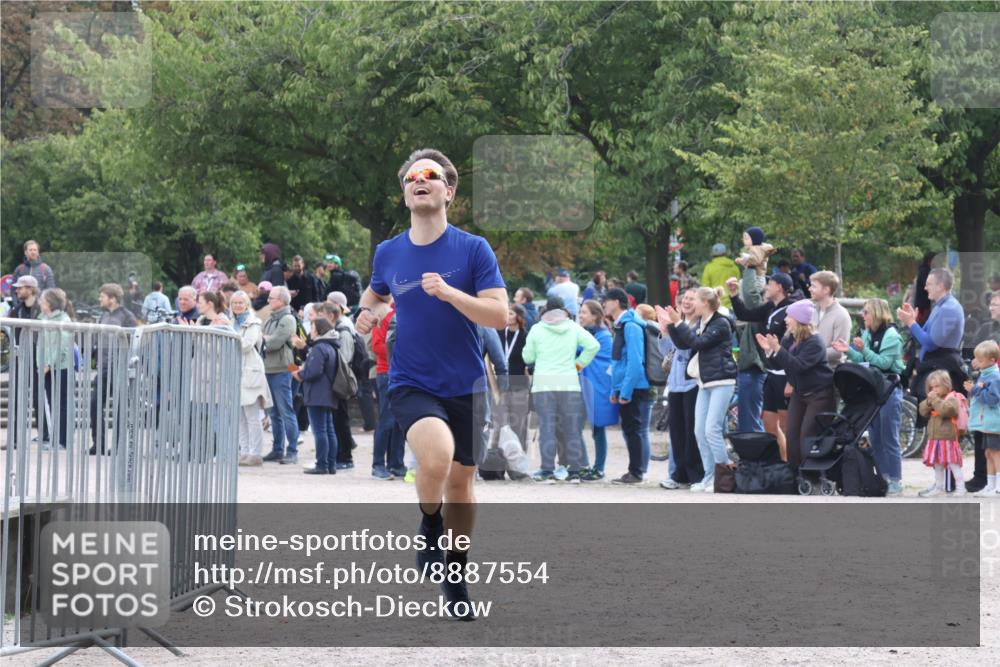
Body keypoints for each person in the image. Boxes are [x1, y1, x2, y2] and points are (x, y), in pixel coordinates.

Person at [355, 148, 507, 621]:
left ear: (449, 191)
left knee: (462, 485)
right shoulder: (389, 251)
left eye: (431, 175)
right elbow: (378, 294)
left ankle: (456, 575)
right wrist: (367, 313)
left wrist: (449, 292)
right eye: (412, 178)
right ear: (405, 195)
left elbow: (499, 315)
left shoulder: (473, 249)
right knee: (437, 457)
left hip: (466, 383)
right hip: (410, 379)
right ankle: (428, 521)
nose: (421, 181)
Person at [658, 287, 737, 491]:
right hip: (705, 381)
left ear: (705, 303)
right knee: (699, 431)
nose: (691, 303)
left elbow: (697, 343)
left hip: (721, 381)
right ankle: (708, 477)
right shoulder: (703, 322)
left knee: (712, 429)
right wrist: (670, 327)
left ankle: (722, 477)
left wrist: (676, 323)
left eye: (696, 299)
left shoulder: (720, 323)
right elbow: (682, 343)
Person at [521, 297, 599, 483]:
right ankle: (574, 470)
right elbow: (593, 346)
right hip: (569, 383)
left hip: (543, 384)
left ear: (546, 310)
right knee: (571, 428)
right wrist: (577, 365)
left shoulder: (537, 329)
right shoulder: (573, 327)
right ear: (563, 310)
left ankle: (547, 469)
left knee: (547, 427)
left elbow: (527, 357)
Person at [833, 298, 905, 495]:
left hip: (889, 388)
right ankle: (882, 478)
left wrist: (863, 349)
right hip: (872, 390)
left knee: (889, 436)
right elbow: (864, 360)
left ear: (876, 313)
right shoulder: (866, 333)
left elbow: (883, 363)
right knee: (875, 437)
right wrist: (849, 351)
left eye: (866, 312)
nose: (862, 316)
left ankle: (896, 480)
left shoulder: (891, 335)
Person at [757, 299, 836, 468]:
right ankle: (793, 472)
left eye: (789, 316)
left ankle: (809, 471)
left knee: (807, 434)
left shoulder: (815, 342)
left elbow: (798, 366)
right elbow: (779, 365)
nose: (785, 320)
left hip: (819, 394)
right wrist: (769, 351)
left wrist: (778, 350)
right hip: (800, 393)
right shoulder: (789, 339)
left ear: (799, 320)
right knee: (791, 434)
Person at [727, 271, 795, 460]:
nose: (766, 287)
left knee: (785, 425)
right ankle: (780, 461)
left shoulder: (790, 310)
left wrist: (791, 378)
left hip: (784, 372)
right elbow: (745, 314)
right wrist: (734, 295)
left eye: (770, 283)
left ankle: (792, 464)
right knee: (770, 425)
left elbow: (793, 343)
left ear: (780, 287)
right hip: (770, 371)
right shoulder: (769, 307)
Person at [603, 287, 653, 484]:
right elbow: (619, 363)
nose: (604, 304)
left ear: (616, 302)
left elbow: (634, 362)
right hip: (626, 386)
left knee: (634, 430)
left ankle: (637, 472)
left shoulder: (630, 326)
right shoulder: (621, 325)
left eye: (606, 301)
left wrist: (625, 391)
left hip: (635, 387)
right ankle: (634, 470)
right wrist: (615, 390)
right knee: (630, 429)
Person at [657, 288, 702, 489]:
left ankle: (695, 475)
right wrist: (664, 332)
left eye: (692, 299)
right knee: (676, 432)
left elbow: (686, 346)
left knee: (690, 432)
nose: (687, 302)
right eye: (685, 298)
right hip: (675, 384)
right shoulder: (679, 325)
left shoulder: (699, 326)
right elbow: (667, 351)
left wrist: (676, 325)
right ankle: (678, 475)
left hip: (692, 383)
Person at [89, 283, 138, 455]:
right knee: (94, 404)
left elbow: (135, 341)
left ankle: (118, 446)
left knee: (119, 409)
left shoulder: (127, 317)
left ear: (113, 298)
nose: (100, 299)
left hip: (119, 369)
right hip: (103, 369)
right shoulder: (102, 316)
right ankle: (98, 443)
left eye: (102, 296)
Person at [292, 317, 341, 475]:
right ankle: (331, 465)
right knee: (329, 429)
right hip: (328, 393)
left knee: (320, 430)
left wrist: (296, 371)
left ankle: (321, 464)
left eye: (312, 328)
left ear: (319, 330)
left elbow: (313, 371)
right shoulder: (331, 346)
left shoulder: (320, 347)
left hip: (318, 393)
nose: (309, 332)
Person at [576, 299, 618, 481]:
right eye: (580, 312)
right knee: (575, 427)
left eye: (584, 312)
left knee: (598, 428)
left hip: (597, 386)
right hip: (582, 385)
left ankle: (599, 468)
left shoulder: (604, 337)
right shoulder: (582, 334)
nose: (580, 315)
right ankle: (583, 465)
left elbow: (603, 363)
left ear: (595, 316)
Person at [229, 291, 271, 466]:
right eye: (234, 303)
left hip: (250, 372)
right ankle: (244, 451)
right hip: (235, 372)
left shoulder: (254, 322)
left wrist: (229, 335)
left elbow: (246, 344)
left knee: (252, 416)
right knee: (239, 417)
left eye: (241, 302)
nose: (237, 306)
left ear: (247, 304)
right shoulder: (231, 322)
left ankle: (255, 453)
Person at [260, 286, 300, 465]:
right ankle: (277, 449)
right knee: (273, 413)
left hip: (282, 369)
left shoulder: (288, 318)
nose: (268, 301)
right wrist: (266, 339)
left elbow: (274, 343)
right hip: (268, 369)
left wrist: (264, 339)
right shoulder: (270, 319)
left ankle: (292, 450)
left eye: (271, 298)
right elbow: (261, 339)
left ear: (282, 300)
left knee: (286, 411)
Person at [489, 303, 530, 454]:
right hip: (501, 387)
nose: (508, 316)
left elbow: (530, 361)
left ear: (519, 317)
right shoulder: (499, 334)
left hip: (519, 387)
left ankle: (518, 461)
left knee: (518, 425)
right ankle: (494, 460)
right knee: (500, 424)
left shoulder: (526, 337)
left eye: (511, 314)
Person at [917, 370, 965, 497]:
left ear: (946, 385)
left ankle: (961, 488)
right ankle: (939, 487)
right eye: (931, 387)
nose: (934, 389)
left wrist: (935, 400)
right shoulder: (934, 399)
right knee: (938, 464)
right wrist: (929, 401)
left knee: (953, 463)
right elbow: (922, 410)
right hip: (935, 438)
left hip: (947, 439)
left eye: (937, 386)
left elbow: (946, 411)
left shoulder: (953, 398)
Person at [372, 304, 406, 479]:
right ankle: (378, 464)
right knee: (387, 420)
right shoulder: (387, 316)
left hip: (402, 374)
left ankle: (396, 463)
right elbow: (377, 346)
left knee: (400, 423)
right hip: (387, 372)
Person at [37, 288, 74, 449]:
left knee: (61, 405)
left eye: (42, 300)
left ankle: (62, 440)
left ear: (50, 303)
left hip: (60, 368)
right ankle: (54, 438)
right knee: (51, 403)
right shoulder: (44, 318)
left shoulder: (64, 320)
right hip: (47, 367)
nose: (39, 302)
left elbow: (61, 346)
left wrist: (48, 364)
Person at [733, 265, 767, 433]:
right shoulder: (757, 313)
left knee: (750, 423)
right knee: (749, 420)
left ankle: (756, 457)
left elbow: (751, 296)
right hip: (750, 369)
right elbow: (742, 311)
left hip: (755, 369)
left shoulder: (764, 312)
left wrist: (750, 267)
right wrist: (733, 296)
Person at [967, 341, 1000, 497]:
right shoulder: (986, 374)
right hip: (986, 422)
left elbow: (993, 399)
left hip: (994, 421)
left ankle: (998, 486)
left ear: (992, 360)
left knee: (995, 452)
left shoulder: (994, 376)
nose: (977, 364)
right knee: (988, 452)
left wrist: (974, 390)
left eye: (980, 361)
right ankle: (990, 484)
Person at [809, 270, 852, 368]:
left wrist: (809, 355)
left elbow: (838, 351)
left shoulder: (841, 315)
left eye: (814, 286)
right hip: (809, 370)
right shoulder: (811, 310)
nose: (810, 289)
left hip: (828, 373)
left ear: (826, 290)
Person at [11, 240, 55, 309]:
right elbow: (13, 291)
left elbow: (51, 290)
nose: (33, 252)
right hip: (22, 308)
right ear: (25, 252)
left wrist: (44, 306)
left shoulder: (45, 269)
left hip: (40, 308)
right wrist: (17, 306)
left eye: (35, 250)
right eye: (30, 250)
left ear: (38, 252)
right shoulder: (19, 269)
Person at [701, 243, 741, 308]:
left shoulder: (709, 267)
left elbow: (705, 288)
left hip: (716, 304)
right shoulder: (734, 267)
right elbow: (738, 286)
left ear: (712, 254)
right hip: (733, 303)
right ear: (725, 253)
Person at [253, 243, 285, 309]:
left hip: (267, 307)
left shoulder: (276, 270)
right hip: (261, 304)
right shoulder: (269, 269)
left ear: (270, 254)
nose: (261, 256)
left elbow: (276, 292)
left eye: (263, 254)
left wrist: (260, 293)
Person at [913, 251, 935, 326]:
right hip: (923, 306)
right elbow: (928, 285)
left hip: (923, 305)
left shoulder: (924, 271)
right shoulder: (925, 271)